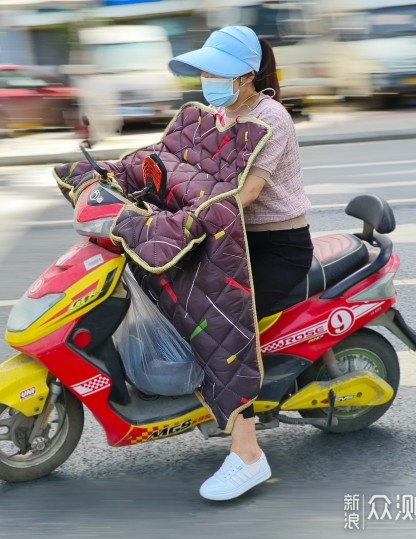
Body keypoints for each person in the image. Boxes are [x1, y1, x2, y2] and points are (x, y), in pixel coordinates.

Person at [169, 26, 320, 500]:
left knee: (220, 326)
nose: (208, 78)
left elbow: (246, 193)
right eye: (205, 70)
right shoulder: (217, 113)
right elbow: (183, 165)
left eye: (219, 71)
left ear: (247, 76)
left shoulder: (270, 118)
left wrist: (188, 212)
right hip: (232, 239)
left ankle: (249, 454)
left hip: (278, 246)